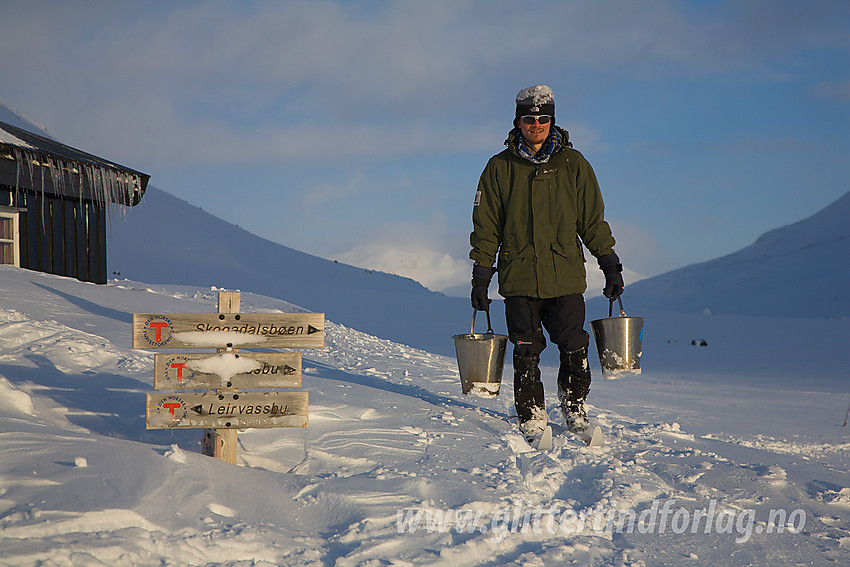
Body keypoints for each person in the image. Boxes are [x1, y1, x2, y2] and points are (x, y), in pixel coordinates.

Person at [468, 84, 624, 444]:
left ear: (552, 121)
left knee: (574, 345)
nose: (536, 124)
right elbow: (486, 226)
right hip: (519, 275)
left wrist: (609, 263)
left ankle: (574, 407)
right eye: (529, 118)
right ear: (517, 122)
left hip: (565, 274)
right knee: (526, 350)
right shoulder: (499, 168)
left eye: (543, 118)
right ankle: (532, 417)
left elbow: (592, 220)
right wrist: (481, 276)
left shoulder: (574, 164)